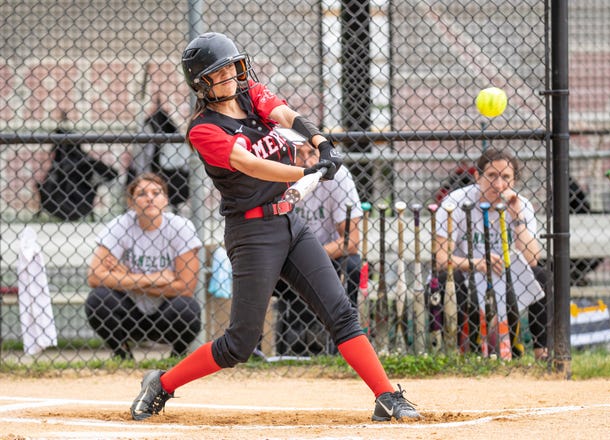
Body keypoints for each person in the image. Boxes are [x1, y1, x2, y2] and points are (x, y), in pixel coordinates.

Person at [129, 32, 420, 422]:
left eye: (233, 66)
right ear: (202, 82)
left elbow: (284, 114)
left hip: (290, 223)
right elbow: (249, 163)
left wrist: (320, 141)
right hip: (252, 234)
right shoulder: (203, 129)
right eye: (220, 72)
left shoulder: (251, 95)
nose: (232, 75)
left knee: (341, 313)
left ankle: (386, 394)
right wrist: (305, 170)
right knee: (239, 343)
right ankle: (162, 384)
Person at [433, 147, 548, 360]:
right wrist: (476, 263)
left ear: (514, 181)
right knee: (446, 280)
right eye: (492, 176)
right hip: (468, 274)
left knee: (542, 276)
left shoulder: (520, 205)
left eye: (506, 177)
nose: (498, 185)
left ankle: (543, 353)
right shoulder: (455, 202)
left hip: (508, 277)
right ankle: (458, 353)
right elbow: (441, 258)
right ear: (477, 176)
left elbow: (532, 259)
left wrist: (517, 219)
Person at [85, 172, 202, 360]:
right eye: (141, 194)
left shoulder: (181, 227)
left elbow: (186, 287)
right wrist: (153, 279)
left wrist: (125, 276)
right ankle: (122, 354)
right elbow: (94, 276)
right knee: (98, 299)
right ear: (131, 202)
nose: (150, 198)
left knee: (187, 308)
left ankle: (177, 356)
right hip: (130, 312)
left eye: (156, 193)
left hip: (166, 313)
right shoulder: (120, 225)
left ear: (165, 199)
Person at [274, 142, 362, 356]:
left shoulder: (337, 177)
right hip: (282, 258)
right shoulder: (276, 174)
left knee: (352, 264)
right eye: (298, 154)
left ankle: (344, 349)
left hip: (327, 256)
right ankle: (254, 352)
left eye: (312, 153)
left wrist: (310, 259)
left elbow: (351, 240)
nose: (307, 162)